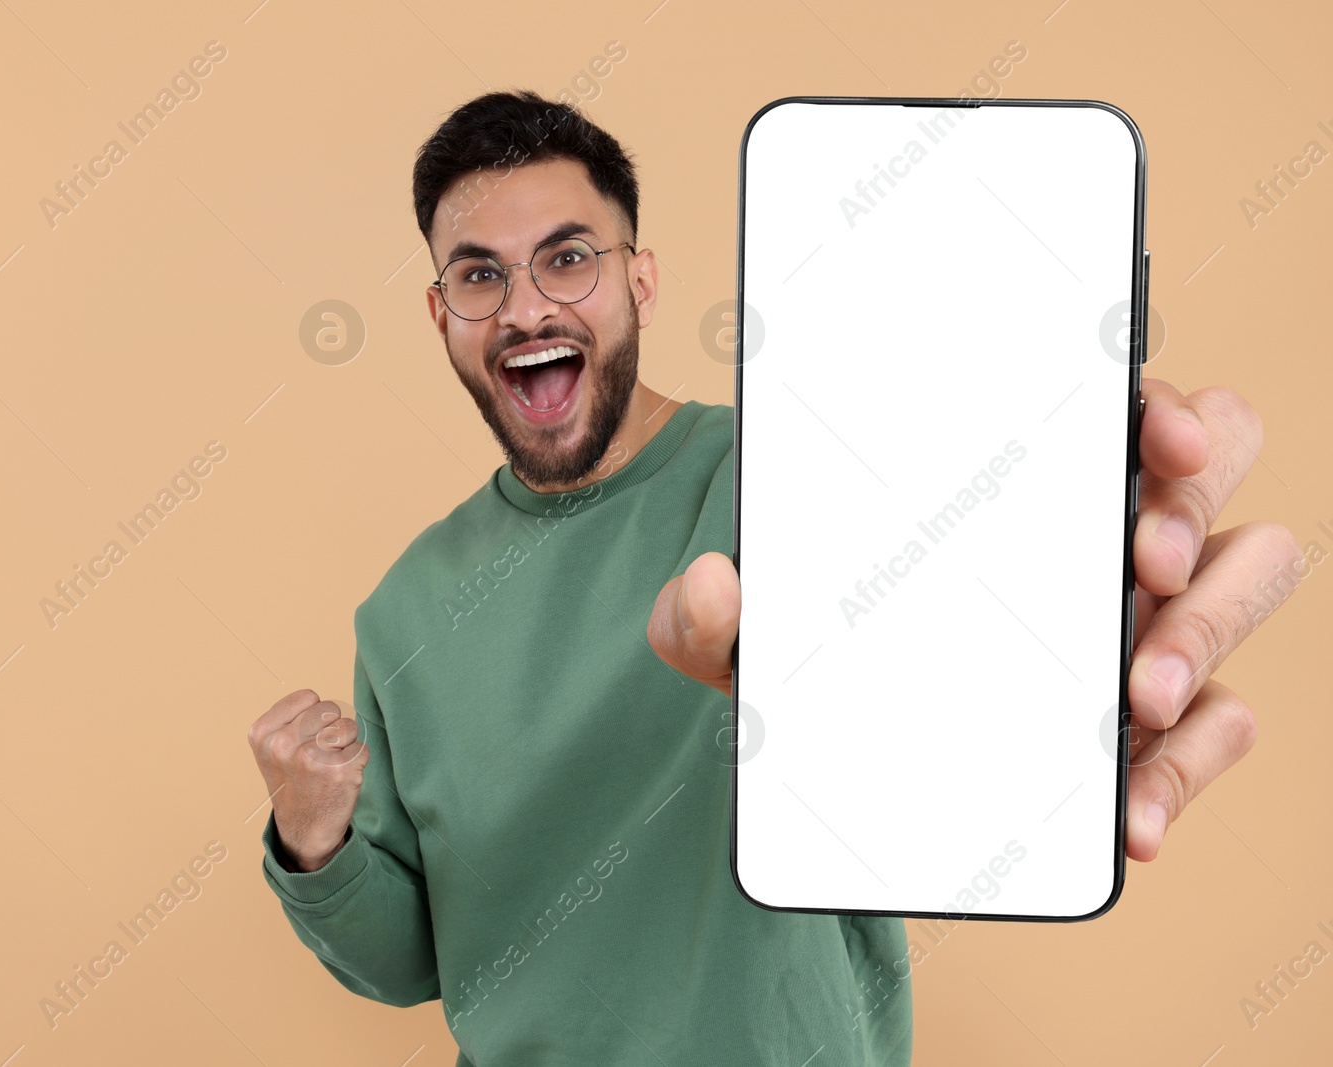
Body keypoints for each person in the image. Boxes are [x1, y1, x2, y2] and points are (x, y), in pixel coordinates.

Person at [246, 90, 1299, 1066]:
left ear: (640, 279)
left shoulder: (809, 471)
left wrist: (1061, 544)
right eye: (480, 275)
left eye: (566, 258)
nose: (525, 308)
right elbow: (408, 961)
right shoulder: (406, 610)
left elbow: (943, 695)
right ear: (442, 316)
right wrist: (313, 837)